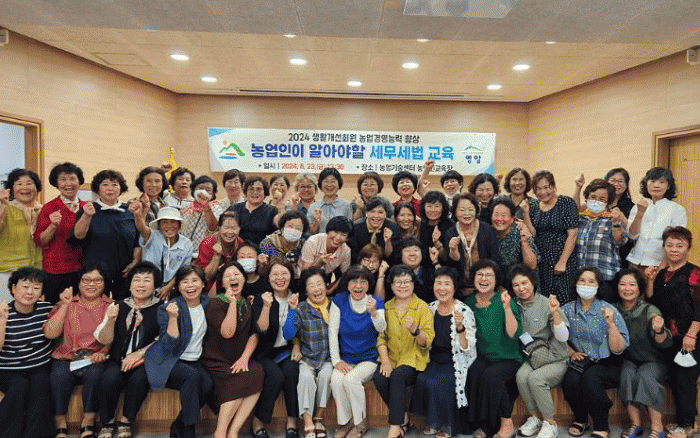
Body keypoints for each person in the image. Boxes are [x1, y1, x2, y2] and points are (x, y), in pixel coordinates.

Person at [144, 265, 217, 438]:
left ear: (203, 284)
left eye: (194, 280)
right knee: (192, 377)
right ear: (178, 286)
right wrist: (173, 318)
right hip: (169, 359)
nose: (190, 285)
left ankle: (178, 425)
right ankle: (189, 431)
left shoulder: (208, 305)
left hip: (195, 360)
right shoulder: (168, 308)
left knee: (208, 385)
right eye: (185, 281)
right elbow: (169, 345)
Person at [94, 262, 162, 438]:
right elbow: (103, 339)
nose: (141, 284)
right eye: (136, 280)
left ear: (155, 285)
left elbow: (164, 340)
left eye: (147, 280)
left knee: (139, 380)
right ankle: (107, 422)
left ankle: (126, 421)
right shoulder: (117, 306)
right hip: (117, 358)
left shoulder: (162, 308)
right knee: (109, 378)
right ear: (130, 285)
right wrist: (110, 320)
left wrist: (139, 354)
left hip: (145, 360)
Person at [44, 265, 113, 438]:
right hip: (66, 356)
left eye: (97, 280)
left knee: (96, 375)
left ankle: (88, 421)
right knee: (59, 376)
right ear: (79, 283)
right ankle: (60, 422)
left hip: (94, 357)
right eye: (86, 280)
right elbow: (50, 334)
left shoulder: (111, 306)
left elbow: (116, 337)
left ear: (104, 283)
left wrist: (104, 351)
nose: (91, 284)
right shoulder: (67, 303)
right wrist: (65, 305)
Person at [561, 267, 630, 438]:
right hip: (582, 360)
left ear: (599, 286)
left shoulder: (608, 309)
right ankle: (581, 419)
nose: (586, 285)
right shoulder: (567, 309)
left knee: (590, 378)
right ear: (576, 283)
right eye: (582, 281)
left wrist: (611, 324)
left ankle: (602, 426)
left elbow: (618, 348)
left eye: (591, 282)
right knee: (570, 379)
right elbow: (557, 335)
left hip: (608, 362)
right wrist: (570, 351)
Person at [645, 227, 700, 438]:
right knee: (676, 380)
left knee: (686, 381)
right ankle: (682, 421)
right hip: (670, 337)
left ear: (688, 248)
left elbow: (699, 306)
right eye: (669, 245)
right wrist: (650, 280)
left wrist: (692, 334)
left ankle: (688, 426)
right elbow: (652, 302)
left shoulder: (694, 272)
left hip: (690, 337)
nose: (674, 249)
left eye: (679, 245)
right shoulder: (662, 274)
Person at [412, 267, 476, 438]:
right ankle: (434, 422)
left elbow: (467, 347)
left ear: (454, 287)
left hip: (455, 360)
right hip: (433, 359)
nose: (442, 288)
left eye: (447, 284)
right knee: (422, 379)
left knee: (441, 382)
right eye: (438, 283)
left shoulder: (463, 311)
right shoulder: (429, 308)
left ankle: (446, 426)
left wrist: (460, 328)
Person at [202, 261, 264, 438]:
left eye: (237, 274)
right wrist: (231, 304)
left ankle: (233, 431)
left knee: (257, 372)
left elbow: (254, 333)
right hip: (217, 359)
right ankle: (220, 432)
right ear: (222, 283)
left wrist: (245, 358)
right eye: (227, 275)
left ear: (244, 279)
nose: (232, 278)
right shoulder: (215, 304)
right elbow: (227, 333)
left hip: (238, 357)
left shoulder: (247, 302)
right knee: (239, 378)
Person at [373, 265, 435, 438]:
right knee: (379, 377)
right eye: (398, 282)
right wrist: (385, 360)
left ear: (413, 284)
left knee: (398, 376)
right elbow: (381, 338)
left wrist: (415, 330)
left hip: (414, 358)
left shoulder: (422, 307)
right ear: (391, 285)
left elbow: (426, 342)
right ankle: (404, 418)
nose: (402, 285)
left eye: (407, 281)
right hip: (391, 357)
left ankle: (395, 426)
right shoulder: (386, 307)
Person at [464, 260, 523, 438]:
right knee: (473, 372)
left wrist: (507, 308)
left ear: (496, 279)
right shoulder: (469, 302)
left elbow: (513, 333)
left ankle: (504, 422)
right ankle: (479, 423)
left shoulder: (504, 299)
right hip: (484, 356)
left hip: (509, 357)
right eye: (479, 274)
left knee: (492, 376)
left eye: (489, 275)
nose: (484, 279)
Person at [510, 265, 569, 438]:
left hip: (556, 358)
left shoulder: (546, 303)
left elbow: (563, 336)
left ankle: (550, 423)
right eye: (516, 285)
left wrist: (555, 312)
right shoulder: (513, 305)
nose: (521, 288)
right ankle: (535, 418)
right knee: (521, 376)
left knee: (536, 379)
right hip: (533, 357)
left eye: (524, 283)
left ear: (533, 282)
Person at [613, 268, 671, 438]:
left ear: (639, 288)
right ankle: (636, 425)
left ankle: (657, 428)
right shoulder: (613, 310)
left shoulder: (650, 309)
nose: (627, 288)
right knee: (627, 375)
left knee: (646, 376)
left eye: (632, 284)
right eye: (622, 284)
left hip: (654, 360)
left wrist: (659, 330)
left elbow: (664, 341)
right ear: (617, 287)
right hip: (630, 359)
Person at [330, 266, 386, 438]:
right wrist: (336, 361)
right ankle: (346, 422)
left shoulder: (376, 302)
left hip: (368, 358)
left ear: (369, 285)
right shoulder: (339, 300)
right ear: (347, 285)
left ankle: (360, 423)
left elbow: (382, 328)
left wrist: (374, 313)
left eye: (363, 282)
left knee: (351, 380)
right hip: (345, 358)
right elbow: (332, 332)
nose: (358, 286)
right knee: (336, 381)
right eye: (354, 281)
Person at [0, 267, 53, 438]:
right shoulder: (3, 312)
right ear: (13, 288)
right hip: (8, 369)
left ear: (41, 292)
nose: (30, 292)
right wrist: (2, 321)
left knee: (41, 383)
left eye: (36, 288)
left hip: (39, 366)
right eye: (25, 286)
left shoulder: (47, 310)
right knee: (18, 386)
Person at [251, 259, 301, 438]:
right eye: (275, 274)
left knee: (292, 371)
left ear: (291, 276)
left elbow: (298, 330)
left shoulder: (297, 297)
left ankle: (292, 421)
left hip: (286, 349)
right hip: (264, 352)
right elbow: (261, 330)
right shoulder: (262, 298)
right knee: (275, 377)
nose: (280, 278)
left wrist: (297, 345)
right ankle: (258, 420)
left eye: (284, 273)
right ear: (268, 278)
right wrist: (266, 306)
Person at [73, 169, 140, 300]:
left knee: (124, 306)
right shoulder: (88, 209)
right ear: (97, 188)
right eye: (105, 184)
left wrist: (136, 261)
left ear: (121, 188)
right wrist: (86, 216)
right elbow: (78, 235)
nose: (110, 188)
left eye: (115, 184)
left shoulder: (129, 211)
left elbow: (137, 239)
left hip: (125, 272)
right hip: (95, 274)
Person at [283, 268, 334, 438]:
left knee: (327, 376)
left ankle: (318, 417)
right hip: (307, 357)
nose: (317, 289)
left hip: (328, 358)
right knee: (305, 378)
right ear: (305, 291)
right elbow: (288, 334)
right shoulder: (301, 308)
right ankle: (308, 422)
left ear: (326, 286)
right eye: (312, 285)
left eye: (320, 284)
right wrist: (292, 310)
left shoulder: (334, 306)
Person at [34, 162, 86, 303]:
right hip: (55, 270)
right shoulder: (48, 208)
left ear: (79, 181)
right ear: (56, 183)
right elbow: (40, 241)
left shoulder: (87, 207)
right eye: (63, 179)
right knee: (55, 310)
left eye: (72, 179)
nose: (68, 183)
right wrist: (52, 225)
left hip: (82, 270)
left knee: (79, 309)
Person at [528, 171, 579, 303]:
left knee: (563, 298)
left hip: (562, 260)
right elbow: (533, 233)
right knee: (544, 299)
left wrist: (562, 261)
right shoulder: (534, 206)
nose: (542, 192)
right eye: (538, 189)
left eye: (546, 187)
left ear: (554, 186)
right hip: (542, 261)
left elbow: (573, 234)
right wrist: (525, 213)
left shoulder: (565, 203)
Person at [627, 167, 687, 270]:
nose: (656, 185)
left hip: (659, 263)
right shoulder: (638, 206)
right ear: (646, 184)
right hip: (634, 261)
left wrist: (663, 266)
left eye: (662, 182)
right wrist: (640, 213)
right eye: (652, 181)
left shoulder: (677, 209)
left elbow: (676, 240)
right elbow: (632, 235)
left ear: (668, 186)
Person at [131, 204, 193, 299]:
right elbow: (141, 228)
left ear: (179, 225)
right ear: (159, 225)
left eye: (173, 222)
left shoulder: (186, 244)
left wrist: (168, 287)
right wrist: (137, 216)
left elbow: (183, 270)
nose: (169, 226)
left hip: (171, 288)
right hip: (147, 285)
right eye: (164, 222)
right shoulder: (152, 236)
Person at [0, 168, 42, 301]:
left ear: (36, 187)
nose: (25, 187)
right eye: (19, 184)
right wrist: (2, 206)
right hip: (8, 272)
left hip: (36, 273)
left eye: (29, 183)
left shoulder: (43, 210)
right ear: (11, 189)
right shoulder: (6, 209)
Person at [444, 193, 500, 293]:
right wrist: (453, 250)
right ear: (455, 212)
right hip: (461, 287)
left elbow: (494, 258)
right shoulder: (451, 232)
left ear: (476, 210)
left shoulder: (487, 230)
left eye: (470, 209)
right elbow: (452, 264)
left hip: (485, 284)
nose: (467, 213)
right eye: (462, 210)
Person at [577, 179, 627, 286]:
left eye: (601, 199)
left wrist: (616, 222)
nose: (596, 201)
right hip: (581, 278)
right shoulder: (579, 219)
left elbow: (620, 241)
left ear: (608, 202)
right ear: (587, 198)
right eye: (593, 197)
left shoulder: (611, 220)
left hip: (605, 278)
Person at [300, 216, 353, 294]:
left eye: (343, 235)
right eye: (336, 232)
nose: (338, 238)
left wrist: (331, 290)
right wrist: (318, 265)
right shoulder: (312, 242)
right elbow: (304, 275)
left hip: (325, 281)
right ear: (328, 231)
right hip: (304, 283)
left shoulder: (346, 251)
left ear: (347, 238)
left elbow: (344, 275)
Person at [491, 198, 538, 275]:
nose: (499, 219)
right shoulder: (487, 233)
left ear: (512, 218)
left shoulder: (521, 232)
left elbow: (532, 266)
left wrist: (524, 243)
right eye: (496, 215)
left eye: (503, 215)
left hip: (519, 278)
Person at [228, 176, 280, 245]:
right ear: (246, 192)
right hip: (237, 249)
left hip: (262, 250)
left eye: (259, 189)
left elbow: (278, 236)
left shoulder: (272, 211)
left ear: (264, 193)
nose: (255, 192)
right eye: (251, 189)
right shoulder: (234, 208)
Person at [197, 211, 245, 283]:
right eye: (226, 228)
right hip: (210, 284)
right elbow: (206, 277)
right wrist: (216, 257)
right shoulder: (207, 243)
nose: (230, 232)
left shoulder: (241, 244)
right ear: (219, 228)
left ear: (239, 228)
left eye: (234, 228)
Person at [349, 197, 400, 263]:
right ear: (366, 213)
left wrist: (388, 242)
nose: (376, 216)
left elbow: (392, 257)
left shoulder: (393, 227)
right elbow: (353, 255)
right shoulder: (356, 227)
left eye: (380, 212)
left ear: (385, 214)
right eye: (372, 211)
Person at [260, 210, 309, 278]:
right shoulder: (268, 243)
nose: (293, 230)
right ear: (282, 228)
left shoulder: (304, 245)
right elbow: (263, 270)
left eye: (298, 228)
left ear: (302, 232)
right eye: (290, 226)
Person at [307, 168, 354, 234]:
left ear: (339, 184)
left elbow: (349, 231)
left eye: (332, 181)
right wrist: (316, 222)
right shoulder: (313, 207)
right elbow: (310, 233)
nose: (329, 185)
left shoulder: (346, 206)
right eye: (326, 181)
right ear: (321, 184)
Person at [181, 175, 219, 252]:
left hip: (204, 253)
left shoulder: (216, 208)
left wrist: (206, 207)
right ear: (193, 190)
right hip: (183, 252)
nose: (203, 192)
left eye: (208, 190)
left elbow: (213, 228)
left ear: (213, 194)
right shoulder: (184, 208)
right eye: (200, 188)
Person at [395, 237, 438, 303]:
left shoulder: (430, 273)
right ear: (400, 254)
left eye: (416, 250)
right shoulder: (395, 274)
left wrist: (435, 261)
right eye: (407, 250)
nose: (412, 254)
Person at [418, 191, 454, 263]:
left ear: (443, 207)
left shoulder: (450, 224)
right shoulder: (422, 224)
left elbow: (450, 257)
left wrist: (437, 243)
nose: (433, 210)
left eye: (437, 206)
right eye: (429, 206)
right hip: (424, 264)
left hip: (446, 265)